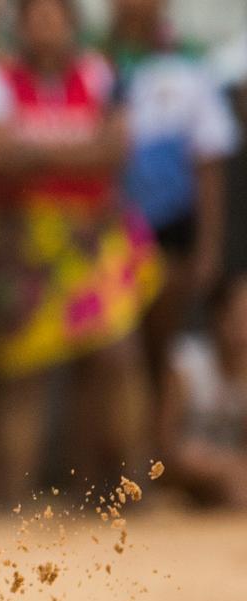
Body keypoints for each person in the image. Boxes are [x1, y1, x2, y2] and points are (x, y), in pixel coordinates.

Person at [0, 0, 161, 500]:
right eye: (35, 17)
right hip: (17, 243)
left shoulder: (96, 73)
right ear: (20, 26)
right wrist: (79, 154)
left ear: (72, 25)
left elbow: (114, 151)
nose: (46, 27)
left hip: (89, 239)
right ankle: (15, 502)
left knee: (117, 355)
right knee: (24, 372)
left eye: (55, 17)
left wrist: (35, 155)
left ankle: (127, 490)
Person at [106, 0, 240, 392]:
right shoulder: (94, 62)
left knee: (159, 350)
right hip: (103, 236)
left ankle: (159, 446)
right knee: (117, 361)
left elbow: (209, 164)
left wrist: (209, 247)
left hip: (170, 235)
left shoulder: (192, 66)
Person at [158, 272, 247, 508]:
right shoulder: (187, 365)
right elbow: (165, 448)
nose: (243, 330)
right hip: (185, 473)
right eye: (237, 318)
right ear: (217, 318)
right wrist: (221, 467)